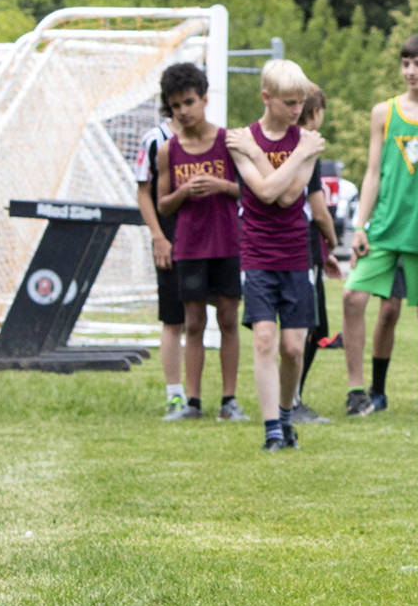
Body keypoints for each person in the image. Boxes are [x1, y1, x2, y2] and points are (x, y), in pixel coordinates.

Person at [153, 61, 301, 423]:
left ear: (205, 98)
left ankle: (229, 400)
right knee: (193, 323)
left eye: (189, 102)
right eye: (175, 106)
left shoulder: (230, 141)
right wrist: (185, 190)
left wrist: (220, 186)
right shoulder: (168, 150)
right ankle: (192, 400)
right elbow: (163, 204)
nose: (183, 111)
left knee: (229, 319)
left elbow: (253, 192)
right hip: (189, 246)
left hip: (228, 244)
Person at [342, 36, 418, 416]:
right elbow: (372, 172)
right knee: (352, 298)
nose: (410, 71)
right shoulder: (384, 112)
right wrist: (360, 225)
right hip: (382, 227)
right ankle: (356, 390)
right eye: (405, 64)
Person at [238, 59, 325, 451]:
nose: (297, 111)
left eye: (301, 102)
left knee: (293, 348)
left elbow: (289, 196)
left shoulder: (307, 141)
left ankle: (287, 413)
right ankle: (272, 429)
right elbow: (266, 192)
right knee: (264, 340)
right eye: (289, 103)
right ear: (266, 98)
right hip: (256, 253)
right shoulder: (241, 138)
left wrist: (270, 157)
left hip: (295, 253)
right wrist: (293, 153)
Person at [287, 83, 342, 425]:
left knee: (314, 324)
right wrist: (332, 241)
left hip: (305, 249)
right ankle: (289, 402)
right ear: (316, 112)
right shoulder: (306, 147)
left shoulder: (280, 144)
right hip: (301, 246)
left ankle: (292, 398)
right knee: (306, 326)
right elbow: (317, 210)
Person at [133, 105, 186, 419]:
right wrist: (158, 236)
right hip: (170, 239)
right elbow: (143, 192)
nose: (184, 109)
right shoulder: (154, 140)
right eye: (177, 102)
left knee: (206, 318)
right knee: (173, 319)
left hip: (205, 242)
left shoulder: (212, 137)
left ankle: (203, 397)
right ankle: (174, 394)